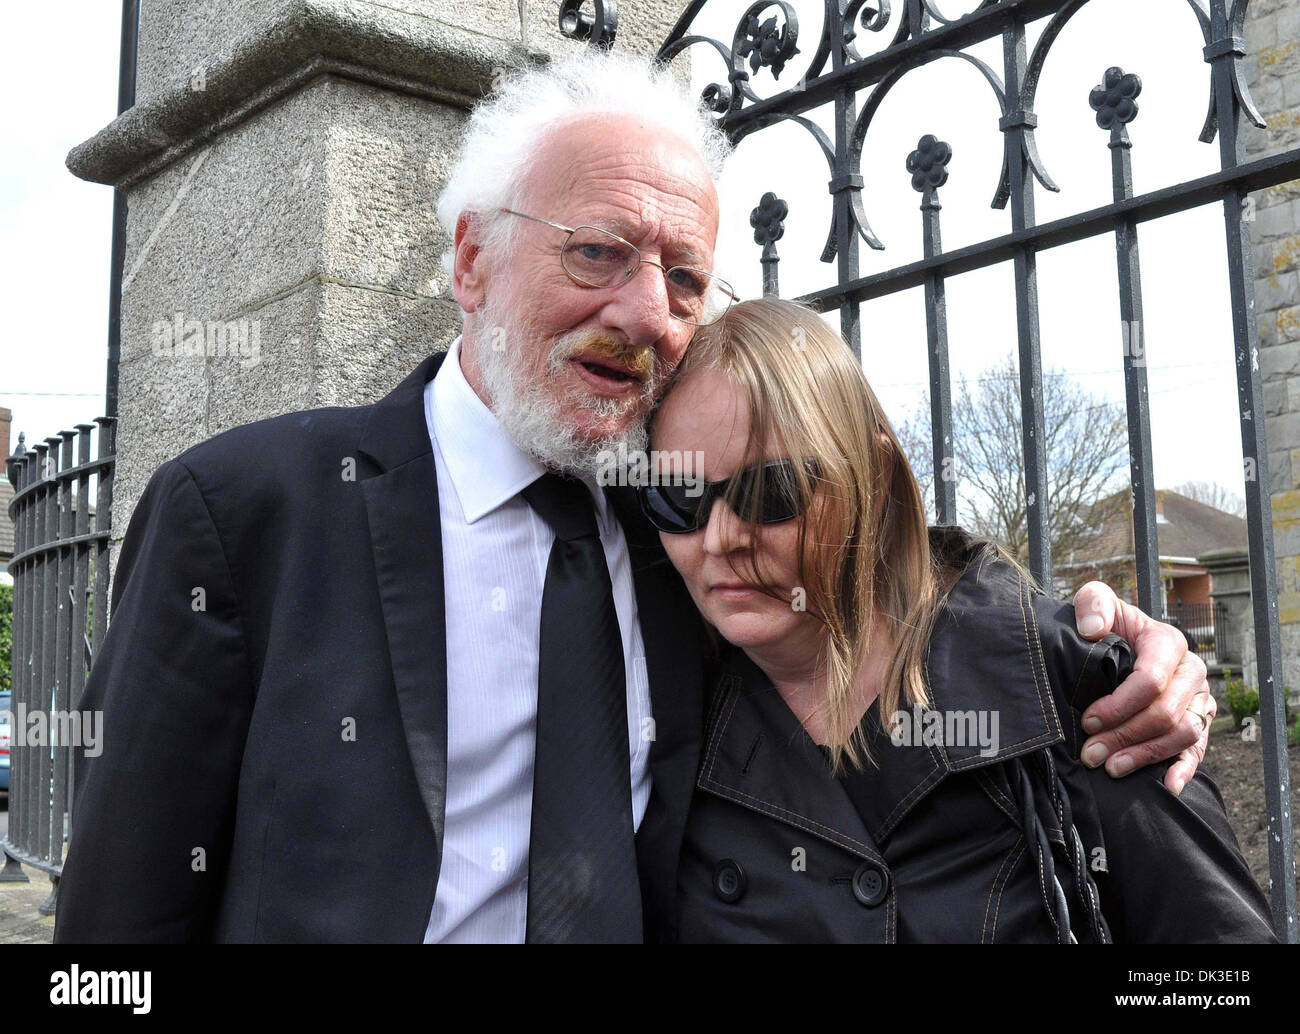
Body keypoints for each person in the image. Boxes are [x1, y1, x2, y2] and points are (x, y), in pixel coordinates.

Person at [55, 50, 1214, 944]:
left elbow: (864, 564)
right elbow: (119, 920)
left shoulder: (682, 530)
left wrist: (1115, 648)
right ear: (469, 260)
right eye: (598, 250)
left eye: (685, 278)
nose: (648, 312)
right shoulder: (247, 508)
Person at [641, 297, 1274, 942]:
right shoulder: (668, 730)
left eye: (767, 492)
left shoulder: (1057, 685)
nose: (720, 538)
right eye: (678, 496)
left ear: (875, 479)